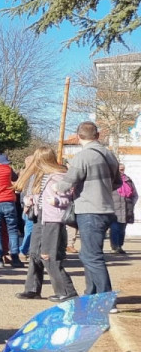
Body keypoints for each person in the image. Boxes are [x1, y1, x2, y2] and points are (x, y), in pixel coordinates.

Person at [65, 121, 123, 296]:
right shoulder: (110, 155)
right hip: (106, 209)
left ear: (78, 137)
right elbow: (118, 182)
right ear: (97, 136)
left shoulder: (82, 156)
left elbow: (68, 182)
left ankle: (105, 297)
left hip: (89, 210)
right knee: (89, 254)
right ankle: (91, 293)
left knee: (92, 256)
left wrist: (54, 188)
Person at [16, 147, 78, 302]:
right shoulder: (40, 176)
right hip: (39, 217)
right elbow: (41, 197)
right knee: (35, 254)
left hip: (53, 220)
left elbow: (67, 198)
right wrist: (30, 200)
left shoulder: (58, 177)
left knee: (49, 256)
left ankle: (67, 291)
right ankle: (32, 289)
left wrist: (56, 201)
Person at [110, 171, 136, 256]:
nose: (121, 171)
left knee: (122, 229)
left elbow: (135, 195)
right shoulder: (111, 180)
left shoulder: (128, 181)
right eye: (119, 169)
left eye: (122, 169)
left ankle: (120, 246)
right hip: (114, 208)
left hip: (126, 209)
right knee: (114, 228)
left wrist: (131, 204)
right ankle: (115, 246)